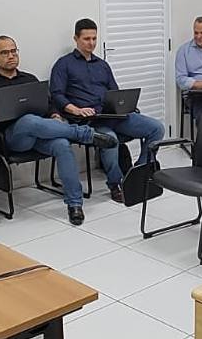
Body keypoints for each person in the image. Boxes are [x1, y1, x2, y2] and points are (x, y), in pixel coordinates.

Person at [0, 36, 116, 226]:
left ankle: (74, 204)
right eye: (4, 53)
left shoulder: (30, 79)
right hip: (8, 139)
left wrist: (54, 116)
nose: (10, 56)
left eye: (14, 51)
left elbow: (49, 105)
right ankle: (84, 134)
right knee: (28, 120)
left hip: (38, 134)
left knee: (61, 144)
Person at [51, 18, 165, 203]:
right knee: (110, 140)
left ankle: (138, 173)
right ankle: (116, 184)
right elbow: (56, 94)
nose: (91, 43)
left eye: (94, 38)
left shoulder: (102, 65)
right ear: (76, 38)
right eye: (87, 39)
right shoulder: (64, 64)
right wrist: (77, 110)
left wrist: (123, 106)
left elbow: (115, 92)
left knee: (156, 128)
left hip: (112, 114)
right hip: (89, 120)